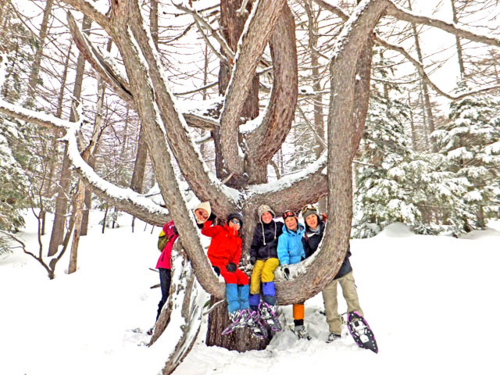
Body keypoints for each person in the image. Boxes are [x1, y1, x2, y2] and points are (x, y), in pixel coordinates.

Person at [301, 204, 364, 343]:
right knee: (330, 304)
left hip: (344, 268)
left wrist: (344, 255)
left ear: (317, 216)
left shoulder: (329, 227)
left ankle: (358, 323)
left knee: (351, 297)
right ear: (305, 221)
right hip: (327, 276)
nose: (311, 220)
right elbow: (309, 257)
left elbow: (343, 241)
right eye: (308, 218)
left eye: (313, 216)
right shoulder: (306, 237)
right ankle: (335, 331)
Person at [201, 212, 251, 326]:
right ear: (228, 222)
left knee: (243, 278)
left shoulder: (238, 240)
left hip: (228, 264)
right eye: (233, 221)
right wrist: (209, 219)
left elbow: (237, 255)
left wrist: (234, 264)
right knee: (231, 277)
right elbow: (205, 231)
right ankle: (234, 311)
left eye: (238, 223)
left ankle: (245, 309)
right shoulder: (219, 230)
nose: (235, 224)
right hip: (215, 262)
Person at [249, 204, 283, 330]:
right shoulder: (259, 229)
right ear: (260, 217)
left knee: (266, 273)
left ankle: (270, 305)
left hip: (274, 256)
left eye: (268, 214)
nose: (266, 216)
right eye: (263, 215)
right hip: (260, 257)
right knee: (254, 278)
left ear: (272, 214)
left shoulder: (279, 226)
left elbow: (290, 231)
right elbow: (254, 245)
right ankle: (254, 310)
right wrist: (253, 256)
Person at [277, 210, 310, 339]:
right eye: (287, 221)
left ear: (296, 220)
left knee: (302, 296)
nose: (290, 222)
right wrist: (285, 265)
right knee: (297, 296)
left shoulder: (303, 232)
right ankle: (296, 324)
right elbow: (282, 252)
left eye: (292, 219)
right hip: (292, 267)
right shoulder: (283, 237)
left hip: (305, 264)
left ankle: (299, 324)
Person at [150, 220, 179, 335]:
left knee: (176, 297)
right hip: (165, 265)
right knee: (166, 297)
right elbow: (167, 227)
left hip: (178, 266)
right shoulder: (173, 224)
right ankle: (158, 324)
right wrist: (175, 228)